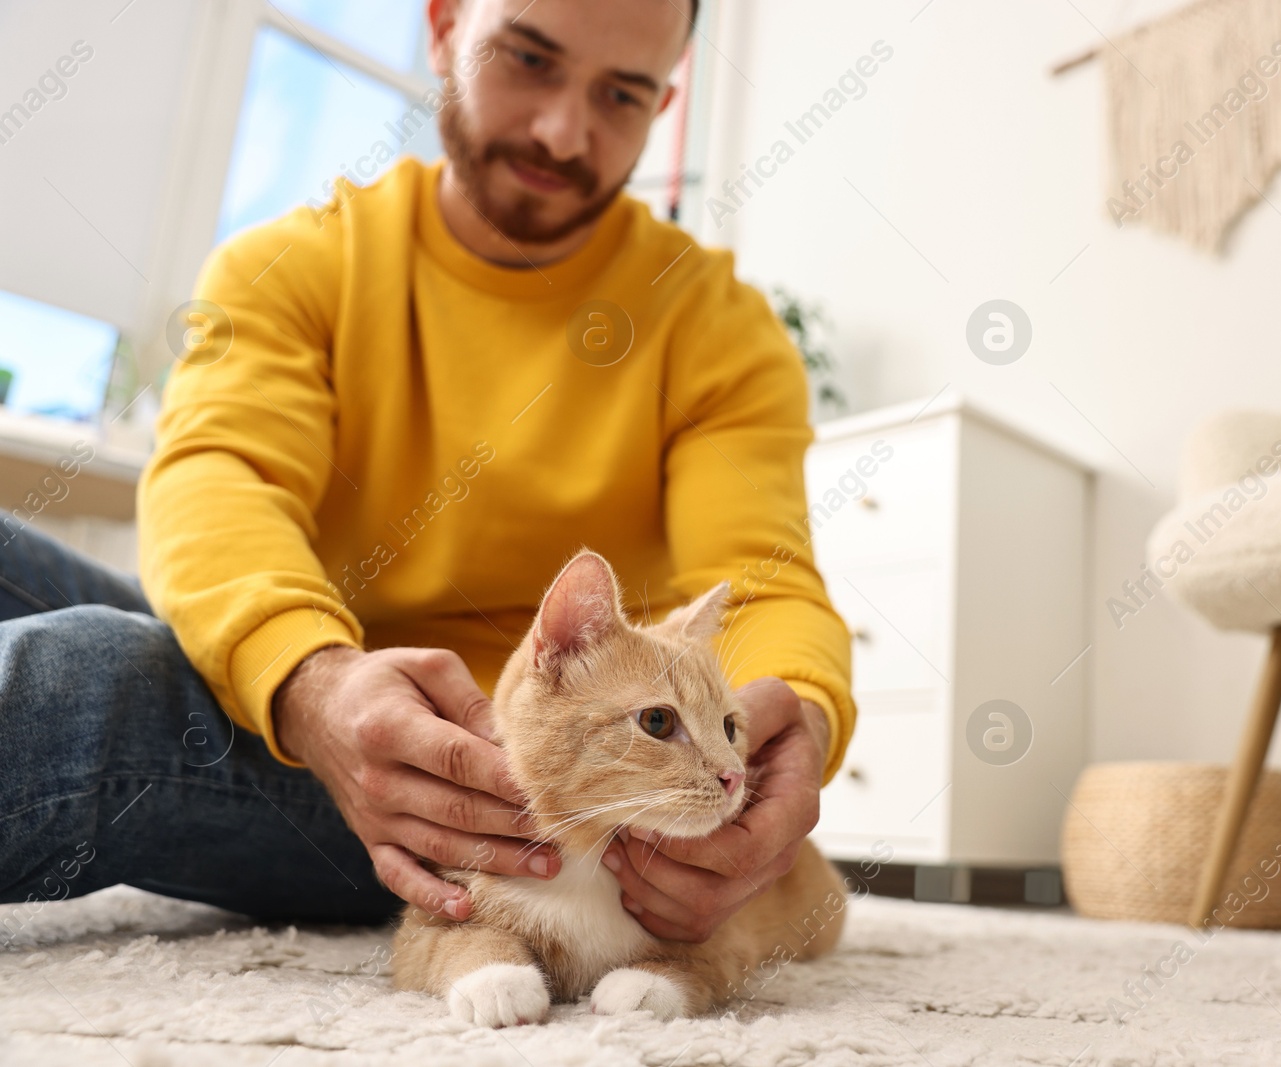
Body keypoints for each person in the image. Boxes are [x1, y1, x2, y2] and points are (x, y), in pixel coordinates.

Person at [0, 0, 854, 947]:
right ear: (444, 27)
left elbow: (767, 584)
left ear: (664, 103)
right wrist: (315, 684)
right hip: (322, 696)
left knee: (89, 684)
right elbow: (218, 478)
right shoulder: (292, 265)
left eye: (622, 93)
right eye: (529, 58)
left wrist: (798, 729)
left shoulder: (719, 329)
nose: (564, 130)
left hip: (501, 786)